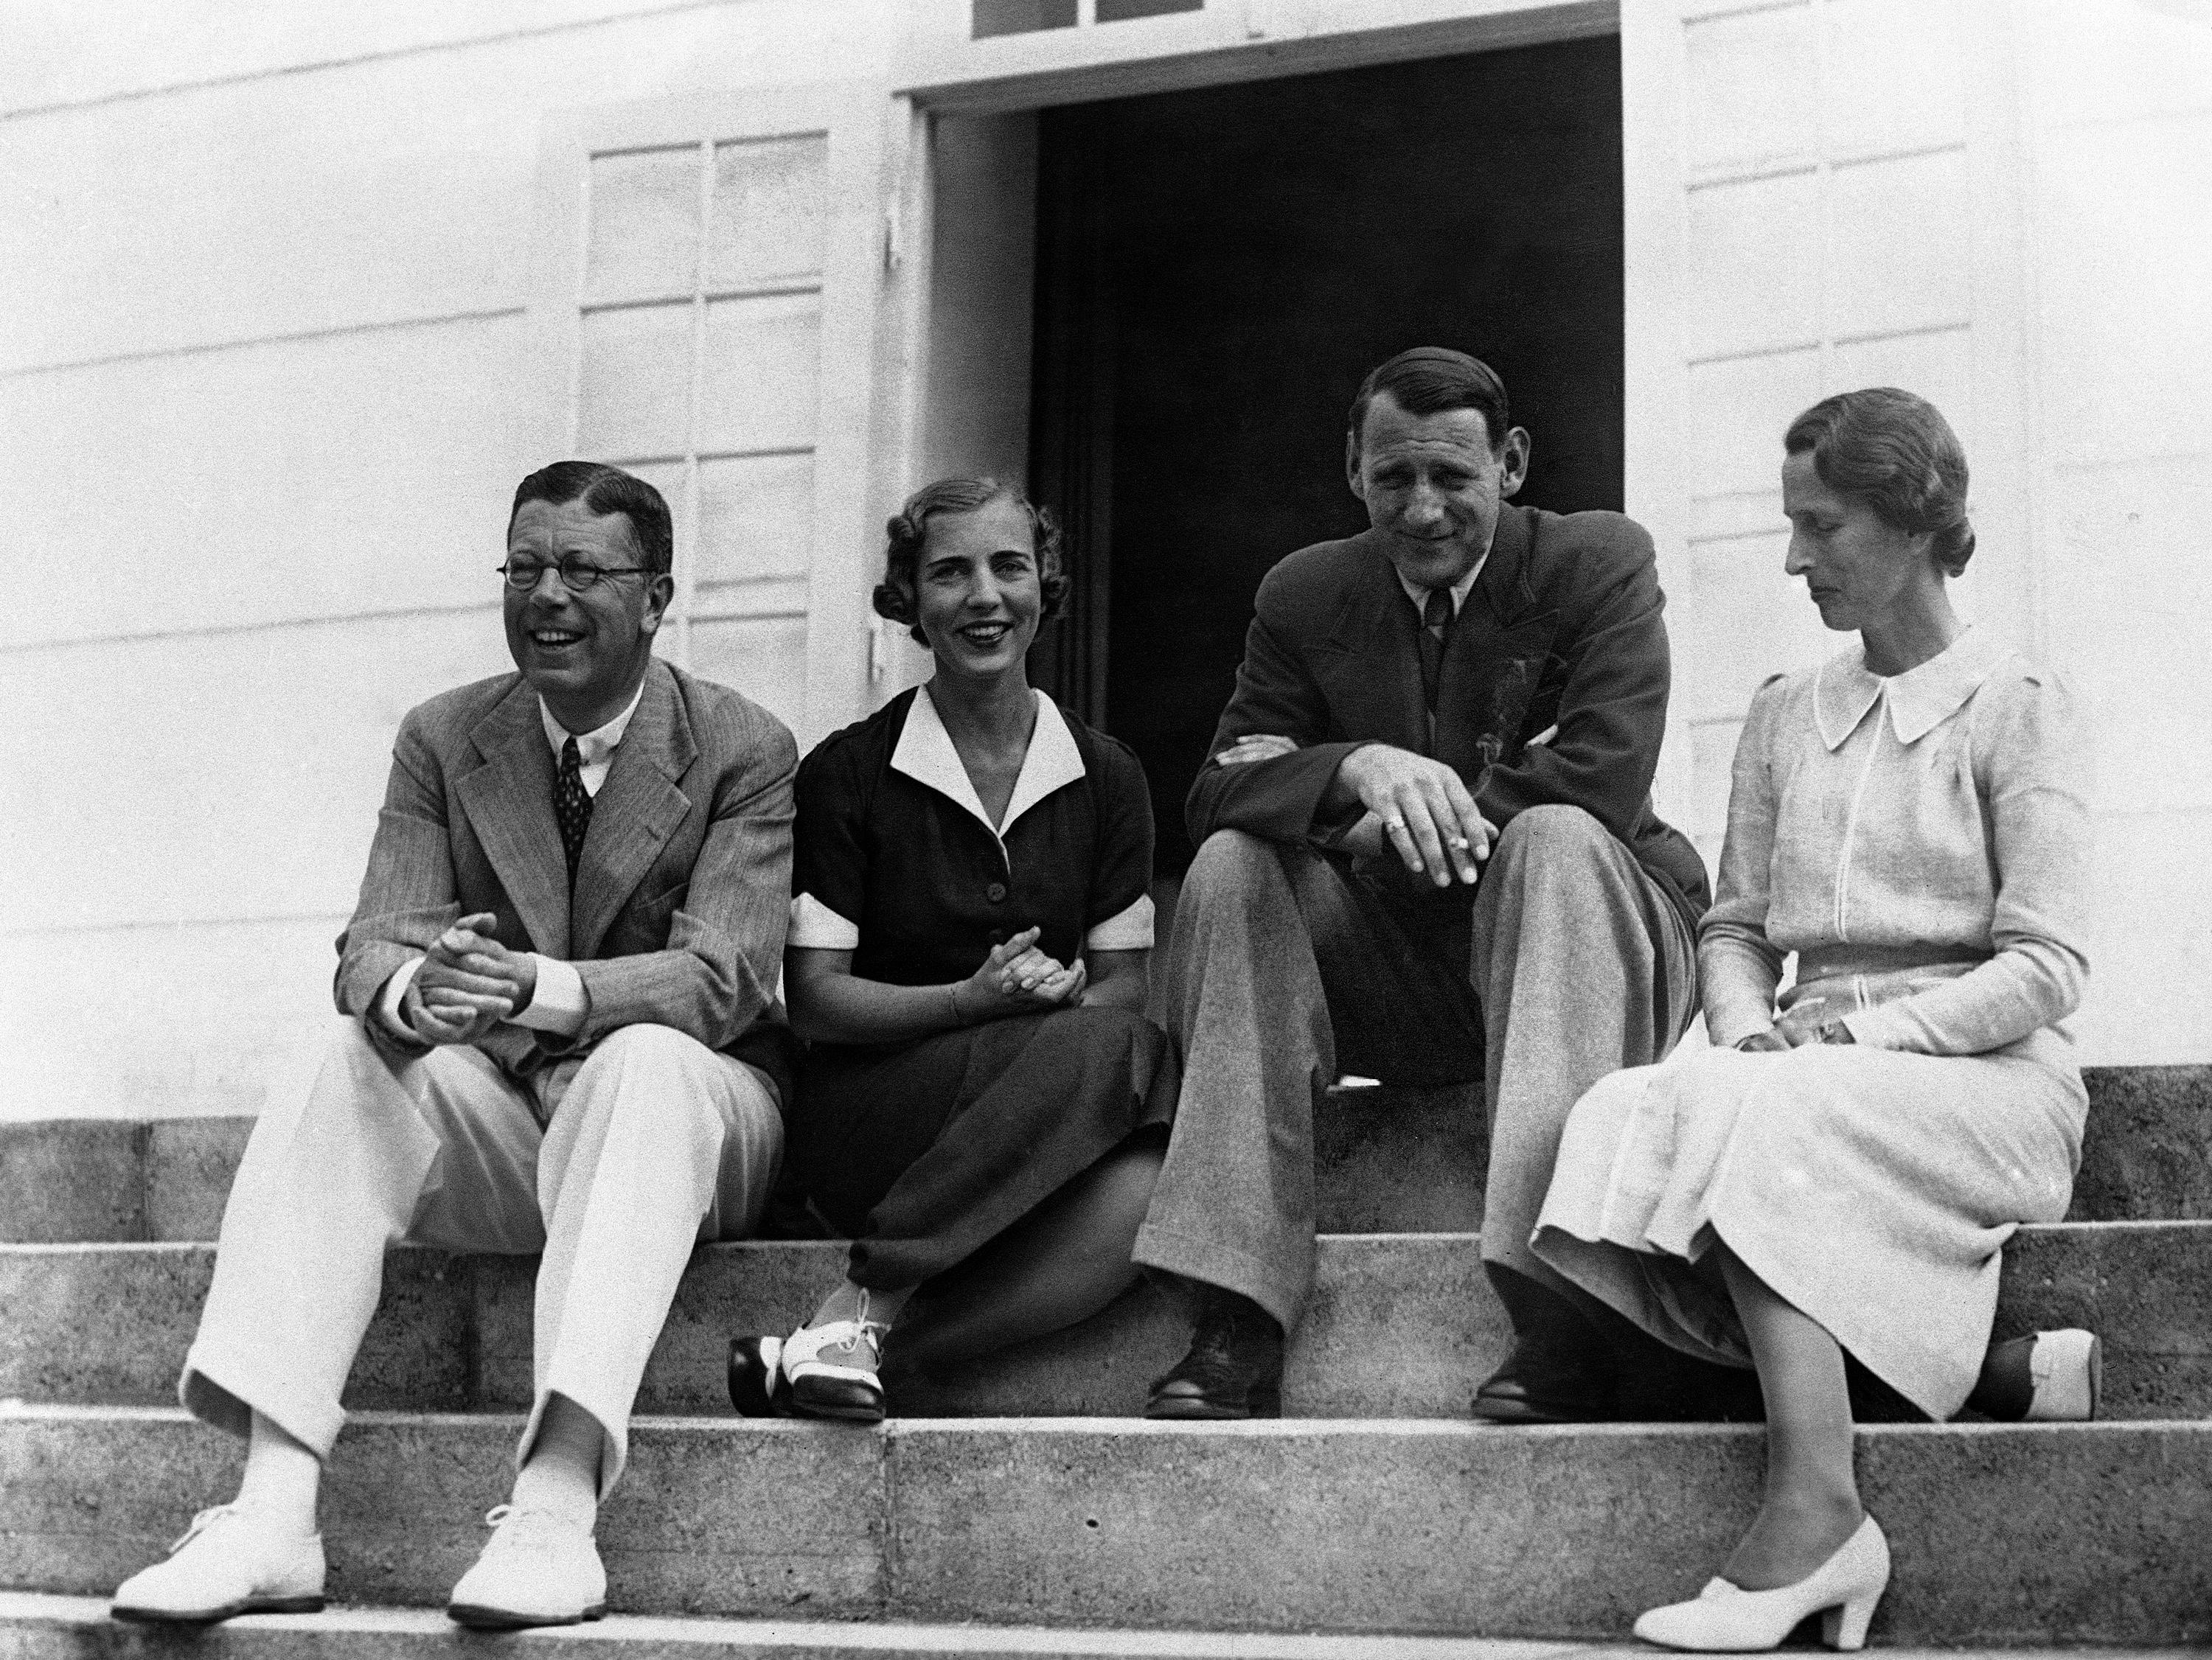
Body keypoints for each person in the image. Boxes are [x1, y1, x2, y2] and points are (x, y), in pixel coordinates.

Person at [109, 461, 797, 1632]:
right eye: (524, 568)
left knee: (641, 1061)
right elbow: (374, 940)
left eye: (584, 570)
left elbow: (724, 977)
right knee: (343, 1056)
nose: (548, 597)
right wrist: (417, 994)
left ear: (657, 595)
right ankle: (274, 1508)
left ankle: (554, 1506)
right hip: (517, 1131)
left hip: (693, 1127)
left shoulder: (743, 746)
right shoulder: (445, 734)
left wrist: (542, 988)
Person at [1528, 388, 2098, 1650]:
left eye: (1823, 527)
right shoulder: (1788, 710)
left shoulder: (2019, 702)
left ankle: (1820, 1512)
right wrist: (1745, 1032)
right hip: (1802, 1071)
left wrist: (1854, 1043)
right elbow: (1734, 926)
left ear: (1913, 521)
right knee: (1621, 1112)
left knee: (1762, 1121)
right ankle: (1966, 1374)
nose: (1795, 561)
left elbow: (2047, 967)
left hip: (1986, 1086)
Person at [1133, 346, 1711, 1420]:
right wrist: (1358, 765)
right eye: (1394, 477)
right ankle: (1239, 1308)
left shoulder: (1598, 565)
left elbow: (1602, 776)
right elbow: (1216, 791)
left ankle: (1564, 1312)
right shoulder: (1305, 594)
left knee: (1552, 835)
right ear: (1353, 470)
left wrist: (1354, 819)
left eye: (1454, 476)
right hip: (1408, 969)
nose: (1425, 508)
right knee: (1232, 865)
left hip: (1597, 942)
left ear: (1515, 462)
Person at [727, 476, 1175, 1422]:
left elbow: (1126, 984)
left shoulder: (1108, 774)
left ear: (1044, 586)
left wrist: (1049, 1009)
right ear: (910, 601)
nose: (984, 597)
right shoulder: (848, 771)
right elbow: (814, 1000)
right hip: (871, 1115)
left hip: (1035, 1105)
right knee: (1122, 1051)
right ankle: (859, 1301)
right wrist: (972, 1002)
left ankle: (862, 1356)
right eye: (949, 574)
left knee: (1151, 1183)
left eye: (1010, 566)